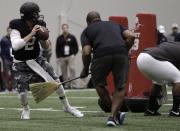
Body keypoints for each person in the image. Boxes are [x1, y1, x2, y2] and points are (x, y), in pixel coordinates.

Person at [9, 2, 83, 120]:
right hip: (20, 63)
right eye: (36, 13)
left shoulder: (40, 24)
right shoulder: (16, 25)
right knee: (22, 93)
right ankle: (26, 109)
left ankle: (67, 107)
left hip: (36, 59)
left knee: (56, 82)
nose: (38, 16)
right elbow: (16, 45)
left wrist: (43, 38)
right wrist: (32, 33)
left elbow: (46, 47)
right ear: (29, 15)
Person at [80, 11, 135, 126]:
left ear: (88, 22)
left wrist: (85, 69)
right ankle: (114, 116)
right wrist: (125, 49)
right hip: (120, 54)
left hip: (101, 56)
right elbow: (131, 36)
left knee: (99, 85)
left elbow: (86, 52)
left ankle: (114, 115)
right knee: (120, 87)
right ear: (99, 18)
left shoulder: (87, 31)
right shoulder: (115, 24)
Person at [137, 41, 180, 117]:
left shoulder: (172, 43)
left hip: (142, 57)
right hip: (154, 58)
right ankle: (175, 110)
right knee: (178, 78)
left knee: (158, 81)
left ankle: (150, 110)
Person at [56, 24, 79, 88]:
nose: (64, 29)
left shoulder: (72, 37)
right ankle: (66, 84)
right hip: (62, 57)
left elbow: (76, 47)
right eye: (63, 28)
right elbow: (57, 48)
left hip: (70, 56)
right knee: (64, 71)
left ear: (68, 28)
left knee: (72, 69)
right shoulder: (59, 38)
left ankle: (73, 84)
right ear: (62, 29)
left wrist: (74, 54)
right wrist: (58, 57)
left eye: (66, 28)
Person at [0, 27, 15, 91]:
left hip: (13, 59)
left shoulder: (14, 39)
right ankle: (5, 88)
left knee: (14, 74)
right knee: (7, 74)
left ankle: (14, 87)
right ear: (7, 31)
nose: (10, 32)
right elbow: (1, 50)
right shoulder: (3, 40)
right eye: (9, 31)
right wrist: (3, 58)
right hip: (6, 59)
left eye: (11, 31)